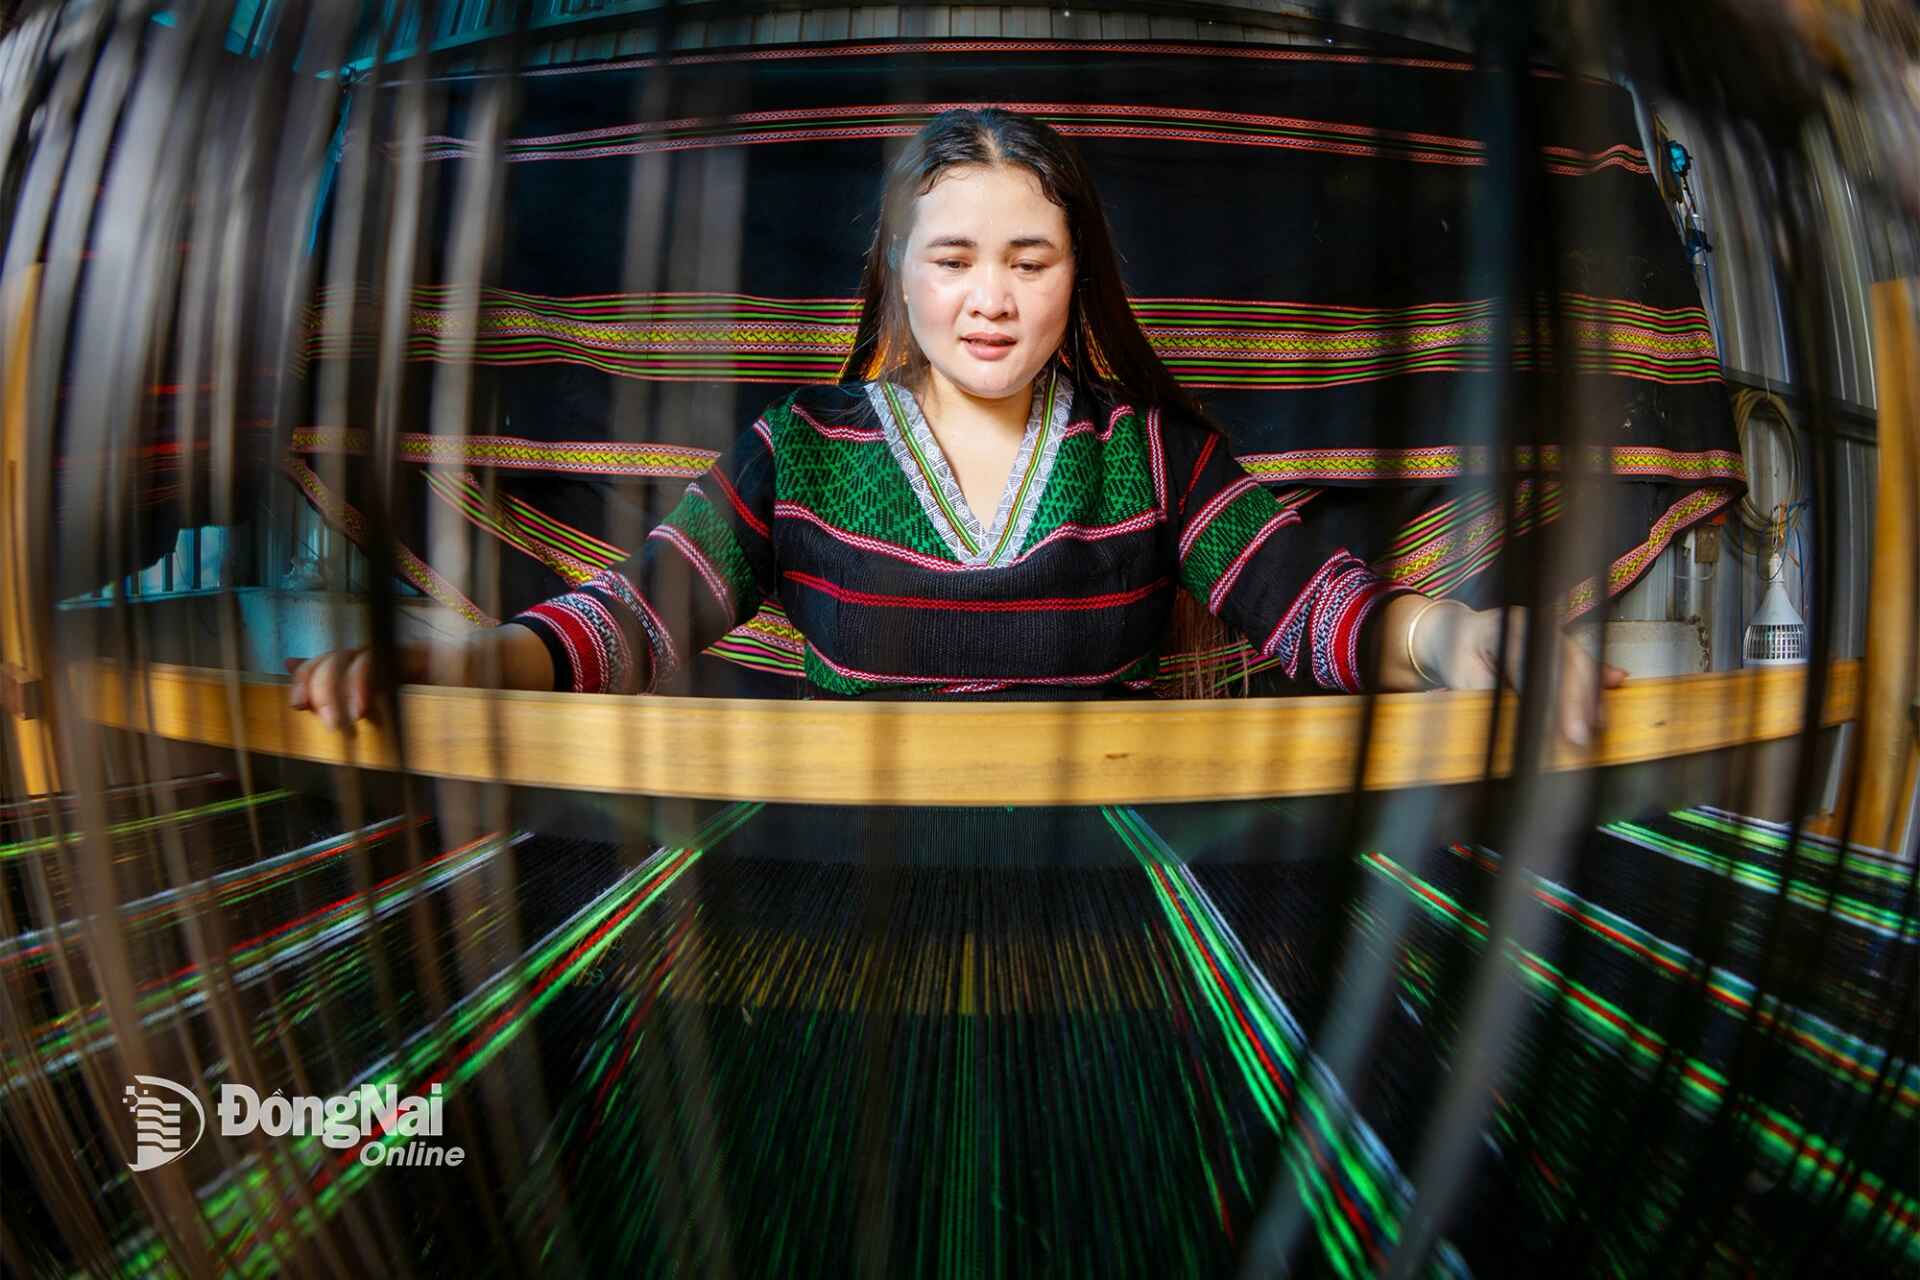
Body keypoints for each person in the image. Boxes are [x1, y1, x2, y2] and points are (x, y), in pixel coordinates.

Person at [288, 107, 1621, 739]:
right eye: (954, 259)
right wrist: (458, 668)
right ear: (899, 273)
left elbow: (1314, 609)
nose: (990, 299)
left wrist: (1462, 634)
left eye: (1029, 261)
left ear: (1077, 273)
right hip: (831, 898)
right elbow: (628, 622)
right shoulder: (796, 452)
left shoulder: (1151, 454)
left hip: (1115, 897)